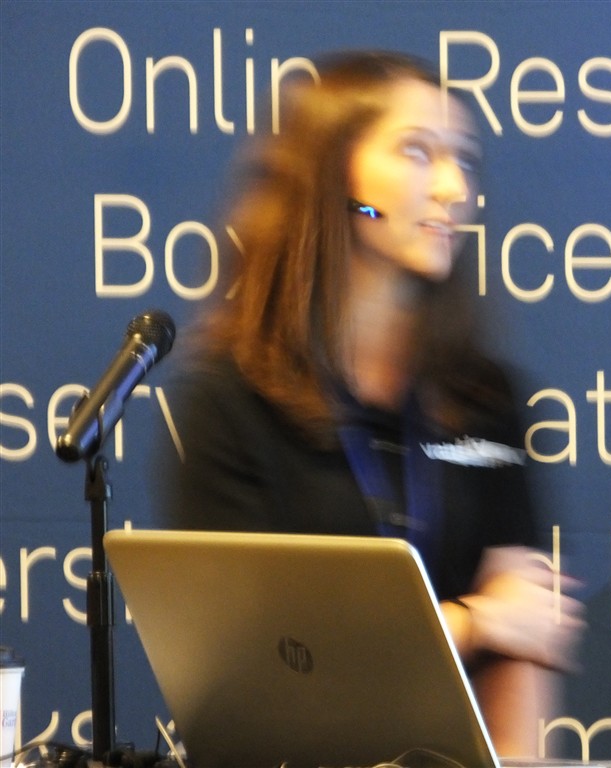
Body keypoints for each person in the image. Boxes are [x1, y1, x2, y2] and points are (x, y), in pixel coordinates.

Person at [153, 51, 584, 757]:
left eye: (464, 160)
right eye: (418, 152)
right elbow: (258, 666)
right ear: (334, 176)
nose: (454, 188)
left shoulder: (486, 400)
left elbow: (525, 636)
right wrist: (471, 622)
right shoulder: (232, 401)